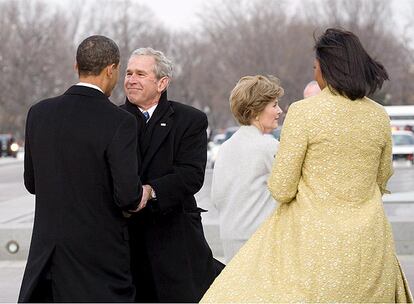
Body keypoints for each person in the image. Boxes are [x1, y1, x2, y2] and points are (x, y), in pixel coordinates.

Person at [201, 28, 413, 302]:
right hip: (370, 243)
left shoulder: (304, 113)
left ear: (327, 68)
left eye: (315, 67)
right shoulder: (379, 116)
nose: (314, 73)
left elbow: (281, 188)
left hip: (315, 244)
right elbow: (383, 178)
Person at [18, 35, 147, 303]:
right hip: (99, 261)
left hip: (47, 259)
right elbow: (127, 196)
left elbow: (32, 183)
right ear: (112, 69)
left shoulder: (38, 113)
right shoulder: (119, 121)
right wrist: (143, 193)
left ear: (76, 66)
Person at [121, 47, 224, 302]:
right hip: (125, 243)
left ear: (162, 83)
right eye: (128, 73)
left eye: (141, 74)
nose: (131, 79)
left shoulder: (190, 120)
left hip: (174, 239)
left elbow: (191, 175)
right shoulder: (111, 119)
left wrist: (150, 191)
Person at [211, 75, 283, 263]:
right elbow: (289, 190)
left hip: (230, 239)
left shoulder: (226, 147)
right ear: (256, 110)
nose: (280, 111)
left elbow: (216, 198)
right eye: (274, 105)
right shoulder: (268, 146)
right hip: (261, 243)